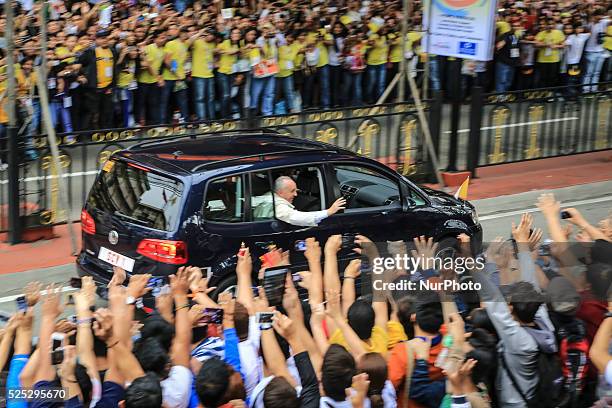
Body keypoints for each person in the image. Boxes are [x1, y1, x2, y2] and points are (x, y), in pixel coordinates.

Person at [262, 176, 346, 227]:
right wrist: (328, 212)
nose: (296, 194)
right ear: (280, 192)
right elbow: (297, 217)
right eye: (292, 191)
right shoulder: (279, 206)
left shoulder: (268, 195)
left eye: (296, 190)